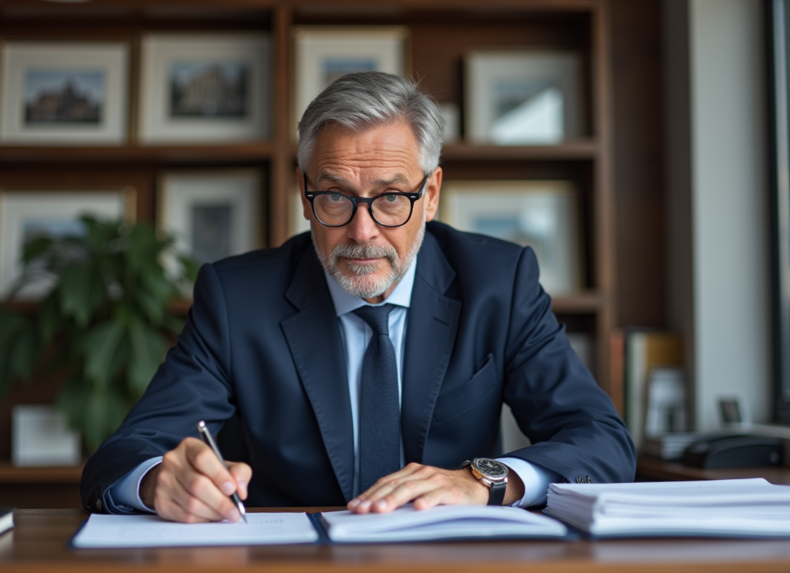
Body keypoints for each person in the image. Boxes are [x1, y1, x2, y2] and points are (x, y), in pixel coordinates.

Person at [80, 72, 635, 523]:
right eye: (336, 197)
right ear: (305, 195)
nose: (363, 232)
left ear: (431, 194)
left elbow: (601, 441)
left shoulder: (499, 282)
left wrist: (483, 481)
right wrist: (159, 482)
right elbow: (123, 454)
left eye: (391, 197)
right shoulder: (236, 299)